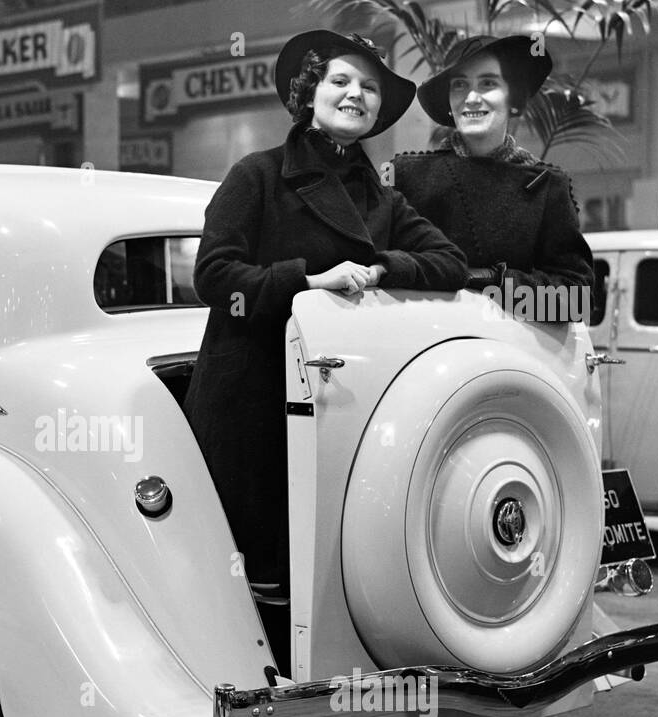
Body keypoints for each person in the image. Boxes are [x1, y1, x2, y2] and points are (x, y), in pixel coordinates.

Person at [184, 30, 468, 596]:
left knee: (328, 575)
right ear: (309, 91)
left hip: (342, 407)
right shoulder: (257, 175)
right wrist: (311, 282)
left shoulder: (383, 199)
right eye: (340, 80)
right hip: (253, 408)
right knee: (254, 582)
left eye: (369, 87)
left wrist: (383, 267)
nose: (355, 95)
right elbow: (214, 277)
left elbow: (450, 263)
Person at [394, 34, 594, 301]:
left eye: (487, 83)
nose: (472, 97)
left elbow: (576, 300)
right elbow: (379, 271)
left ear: (513, 98)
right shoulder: (408, 176)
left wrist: (496, 281)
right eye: (460, 85)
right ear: (449, 104)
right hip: (424, 337)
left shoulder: (547, 187)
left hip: (510, 341)